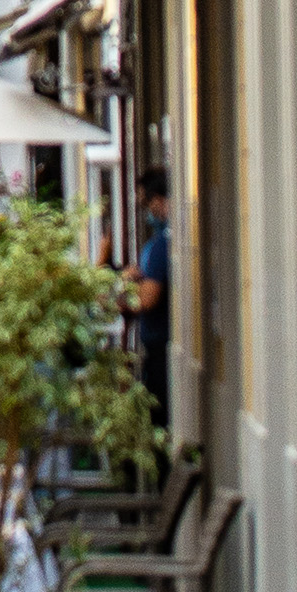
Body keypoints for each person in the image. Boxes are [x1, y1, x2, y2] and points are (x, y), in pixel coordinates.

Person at [135, 168, 172, 435]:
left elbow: (148, 299)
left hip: (161, 349)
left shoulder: (161, 245)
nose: (147, 212)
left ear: (157, 200)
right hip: (161, 344)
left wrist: (120, 298)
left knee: (158, 421)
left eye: (146, 204)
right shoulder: (162, 243)